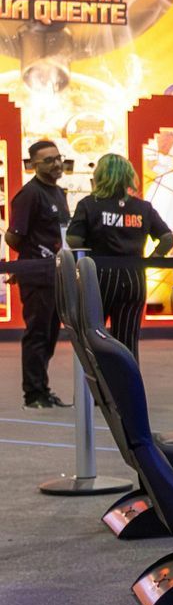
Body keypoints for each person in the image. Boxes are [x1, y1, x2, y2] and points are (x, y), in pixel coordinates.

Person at [68, 153, 173, 353]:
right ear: (128, 176)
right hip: (134, 276)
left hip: (99, 276)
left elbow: (73, 239)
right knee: (128, 338)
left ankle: (97, 381)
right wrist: (152, 260)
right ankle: (127, 381)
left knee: (92, 333)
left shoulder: (89, 204)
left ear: (100, 175)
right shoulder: (142, 207)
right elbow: (167, 238)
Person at [7, 137, 70, 408]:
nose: (56, 164)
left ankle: (42, 388)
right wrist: (33, 257)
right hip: (37, 276)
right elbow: (13, 237)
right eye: (49, 160)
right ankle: (33, 393)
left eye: (58, 158)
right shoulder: (29, 194)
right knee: (37, 333)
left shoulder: (58, 192)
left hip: (56, 276)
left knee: (51, 333)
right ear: (34, 165)